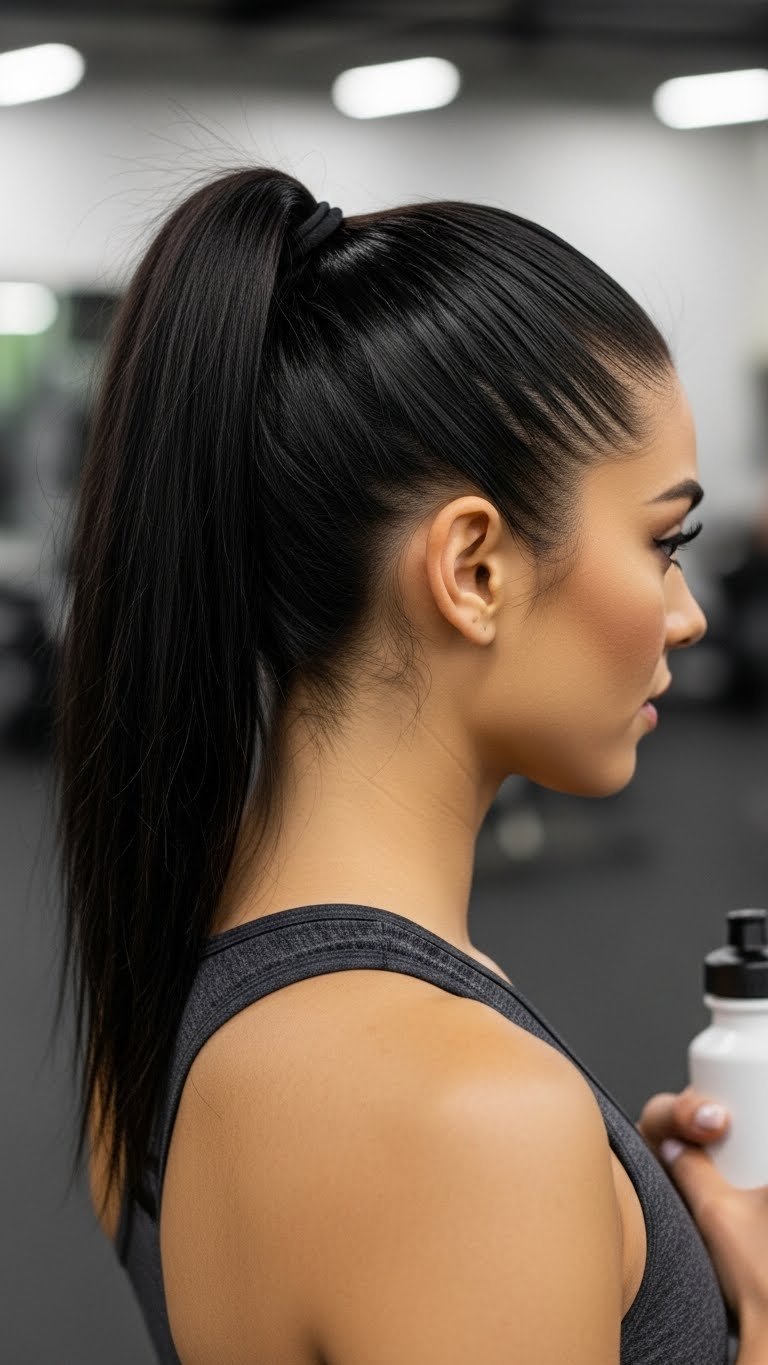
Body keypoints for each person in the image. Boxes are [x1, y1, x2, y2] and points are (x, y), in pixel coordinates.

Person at [51, 166, 768, 1364]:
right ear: (474, 569)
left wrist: (617, 1232)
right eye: (663, 541)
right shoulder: (467, 1122)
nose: (686, 614)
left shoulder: (157, 1009)